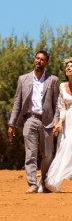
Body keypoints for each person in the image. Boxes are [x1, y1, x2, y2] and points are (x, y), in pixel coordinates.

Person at [8, 49, 59, 194]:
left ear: (46, 62)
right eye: (37, 58)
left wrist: (56, 121)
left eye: (42, 59)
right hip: (30, 119)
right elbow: (17, 102)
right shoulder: (23, 79)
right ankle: (32, 184)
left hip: (47, 121)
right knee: (30, 154)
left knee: (48, 154)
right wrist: (11, 124)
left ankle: (43, 181)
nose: (39, 61)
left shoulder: (53, 80)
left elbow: (57, 104)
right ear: (34, 60)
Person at [44, 58, 72, 192]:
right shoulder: (62, 86)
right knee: (64, 147)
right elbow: (61, 107)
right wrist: (59, 122)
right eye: (67, 66)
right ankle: (54, 180)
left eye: (71, 66)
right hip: (68, 121)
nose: (69, 68)